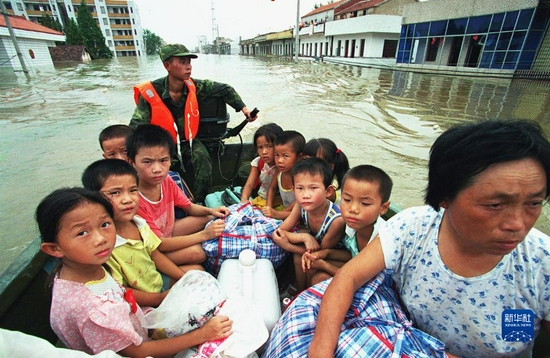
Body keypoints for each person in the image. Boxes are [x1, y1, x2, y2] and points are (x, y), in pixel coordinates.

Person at [310, 120, 550, 358]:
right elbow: (349, 277)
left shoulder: (542, 264)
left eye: (534, 203)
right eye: (495, 205)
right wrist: (320, 351)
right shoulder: (412, 229)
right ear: (445, 196)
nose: (518, 225)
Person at [36, 187, 232, 356]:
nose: (100, 239)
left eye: (105, 224)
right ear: (55, 249)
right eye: (82, 233)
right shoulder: (93, 310)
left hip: (141, 327)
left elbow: (121, 293)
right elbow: (138, 352)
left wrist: (158, 303)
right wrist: (202, 335)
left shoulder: (89, 269)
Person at [130, 43, 257, 203]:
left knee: (203, 159)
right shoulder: (151, 92)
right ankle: (161, 203)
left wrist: (244, 110)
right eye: (182, 62)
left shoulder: (194, 85)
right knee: (156, 169)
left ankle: (199, 202)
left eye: (189, 62)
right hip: (161, 144)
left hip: (188, 142)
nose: (188, 66)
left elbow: (225, 89)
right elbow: (135, 126)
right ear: (167, 65)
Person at [82, 159, 200, 306]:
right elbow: (120, 290)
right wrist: (160, 299)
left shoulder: (139, 223)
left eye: (133, 190)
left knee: (196, 272)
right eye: (115, 193)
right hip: (141, 303)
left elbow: (155, 255)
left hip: (156, 281)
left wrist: (183, 278)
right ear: (93, 198)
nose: (127, 200)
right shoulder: (104, 245)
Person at [126, 124, 228, 266]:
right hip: (153, 249)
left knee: (211, 218)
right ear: (132, 162)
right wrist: (204, 235)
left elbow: (189, 207)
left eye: (163, 160)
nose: (157, 169)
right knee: (198, 253)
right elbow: (159, 244)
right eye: (147, 162)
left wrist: (212, 210)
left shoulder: (167, 180)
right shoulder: (133, 199)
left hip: (168, 230)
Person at [302, 164, 392, 286]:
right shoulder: (351, 226)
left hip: (377, 283)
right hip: (359, 270)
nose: (353, 209)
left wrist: (324, 264)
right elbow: (354, 254)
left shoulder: (382, 239)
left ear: (384, 207)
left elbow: (360, 277)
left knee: (320, 276)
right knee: (313, 264)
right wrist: (325, 253)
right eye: (347, 200)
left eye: (365, 203)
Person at [273, 157, 345, 296]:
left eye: (313, 188)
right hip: (316, 251)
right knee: (298, 257)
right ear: (294, 190)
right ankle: (300, 292)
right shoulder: (301, 206)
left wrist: (289, 246)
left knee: (306, 262)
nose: (305, 195)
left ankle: (306, 294)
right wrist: (304, 236)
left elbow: (319, 254)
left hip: (336, 255)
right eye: (300, 188)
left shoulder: (336, 220)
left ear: (328, 191)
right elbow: (281, 231)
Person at [262, 130, 305, 220]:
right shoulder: (279, 171)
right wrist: (268, 208)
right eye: (276, 155)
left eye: (285, 156)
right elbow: (272, 189)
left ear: (299, 157)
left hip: (300, 213)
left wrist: (278, 214)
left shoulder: (302, 176)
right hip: (284, 210)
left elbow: (300, 202)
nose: (279, 160)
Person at [240, 123, 283, 208]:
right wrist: (244, 200)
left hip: (280, 202)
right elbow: (249, 185)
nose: (264, 152)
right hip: (262, 199)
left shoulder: (283, 166)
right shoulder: (257, 163)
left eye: (269, 146)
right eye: (260, 147)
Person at [302, 138, 349, 205]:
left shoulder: (330, 189)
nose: (307, 165)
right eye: (305, 160)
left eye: (314, 162)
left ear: (330, 166)